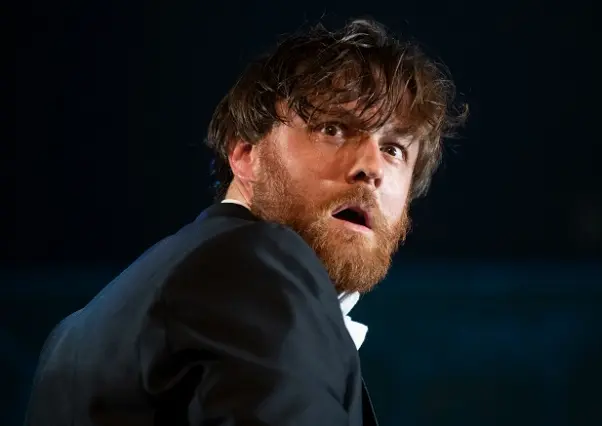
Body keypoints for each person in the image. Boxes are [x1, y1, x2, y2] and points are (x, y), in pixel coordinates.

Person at [24, 17, 465, 426]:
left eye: (393, 149)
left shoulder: (76, 332)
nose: (372, 167)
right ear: (245, 154)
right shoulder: (259, 264)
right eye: (333, 128)